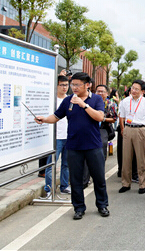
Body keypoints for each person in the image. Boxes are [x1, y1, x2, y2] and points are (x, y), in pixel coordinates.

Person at [34, 72, 109, 220]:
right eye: (72, 84)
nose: (73, 87)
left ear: (87, 85)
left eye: (77, 85)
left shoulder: (96, 99)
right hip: (74, 146)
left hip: (93, 146)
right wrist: (44, 119)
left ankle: (102, 205)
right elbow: (56, 116)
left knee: (99, 177)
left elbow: (100, 117)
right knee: (75, 179)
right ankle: (79, 207)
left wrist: (83, 105)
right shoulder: (68, 100)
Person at [118, 80, 145, 194]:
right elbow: (122, 116)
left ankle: (142, 184)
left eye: (136, 89)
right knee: (126, 158)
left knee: (141, 158)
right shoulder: (125, 101)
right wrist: (123, 129)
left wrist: (143, 128)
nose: (133, 90)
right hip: (128, 128)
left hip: (140, 129)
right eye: (132, 88)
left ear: (142, 91)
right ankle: (126, 183)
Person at [44, 75, 71, 197]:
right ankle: (49, 188)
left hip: (68, 136)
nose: (65, 87)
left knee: (66, 164)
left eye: (66, 85)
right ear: (57, 86)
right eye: (62, 85)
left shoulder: (70, 100)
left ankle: (64, 186)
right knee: (51, 164)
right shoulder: (52, 100)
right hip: (56, 137)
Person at [95, 85, 118, 160]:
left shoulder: (110, 104)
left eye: (102, 91)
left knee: (102, 148)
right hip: (92, 128)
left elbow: (114, 119)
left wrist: (103, 119)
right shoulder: (91, 103)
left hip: (103, 128)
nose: (100, 93)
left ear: (107, 93)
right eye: (98, 91)